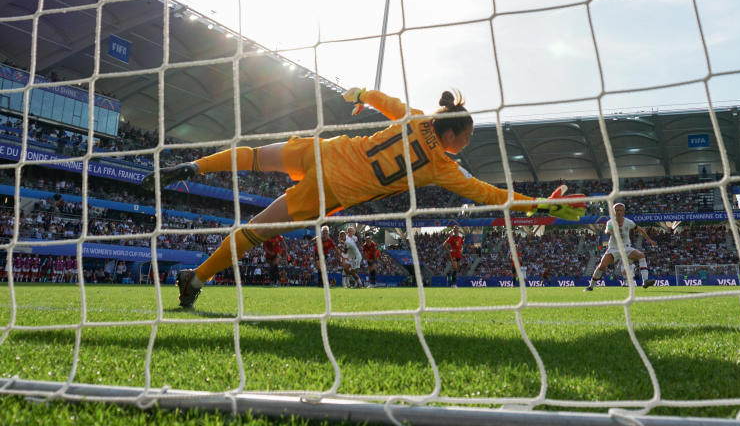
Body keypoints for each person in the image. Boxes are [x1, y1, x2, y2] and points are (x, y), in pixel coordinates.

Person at [142, 87, 585, 309]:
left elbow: (378, 97)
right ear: (451, 134)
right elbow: (490, 195)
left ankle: (195, 167)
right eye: (464, 140)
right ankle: (196, 280)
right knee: (256, 232)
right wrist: (539, 205)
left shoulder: (413, 117)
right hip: (330, 189)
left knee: (256, 157)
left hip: (326, 150)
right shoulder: (442, 166)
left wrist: (355, 95)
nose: (463, 147)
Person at [585, 202, 657, 291]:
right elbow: (607, 231)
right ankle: (591, 286)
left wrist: (649, 240)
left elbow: (640, 229)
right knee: (602, 266)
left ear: (623, 212)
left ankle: (645, 281)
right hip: (613, 249)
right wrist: (609, 232)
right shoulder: (610, 222)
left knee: (641, 256)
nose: (618, 212)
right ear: (613, 212)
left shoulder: (628, 222)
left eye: (620, 210)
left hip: (626, 248)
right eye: (616, 210)